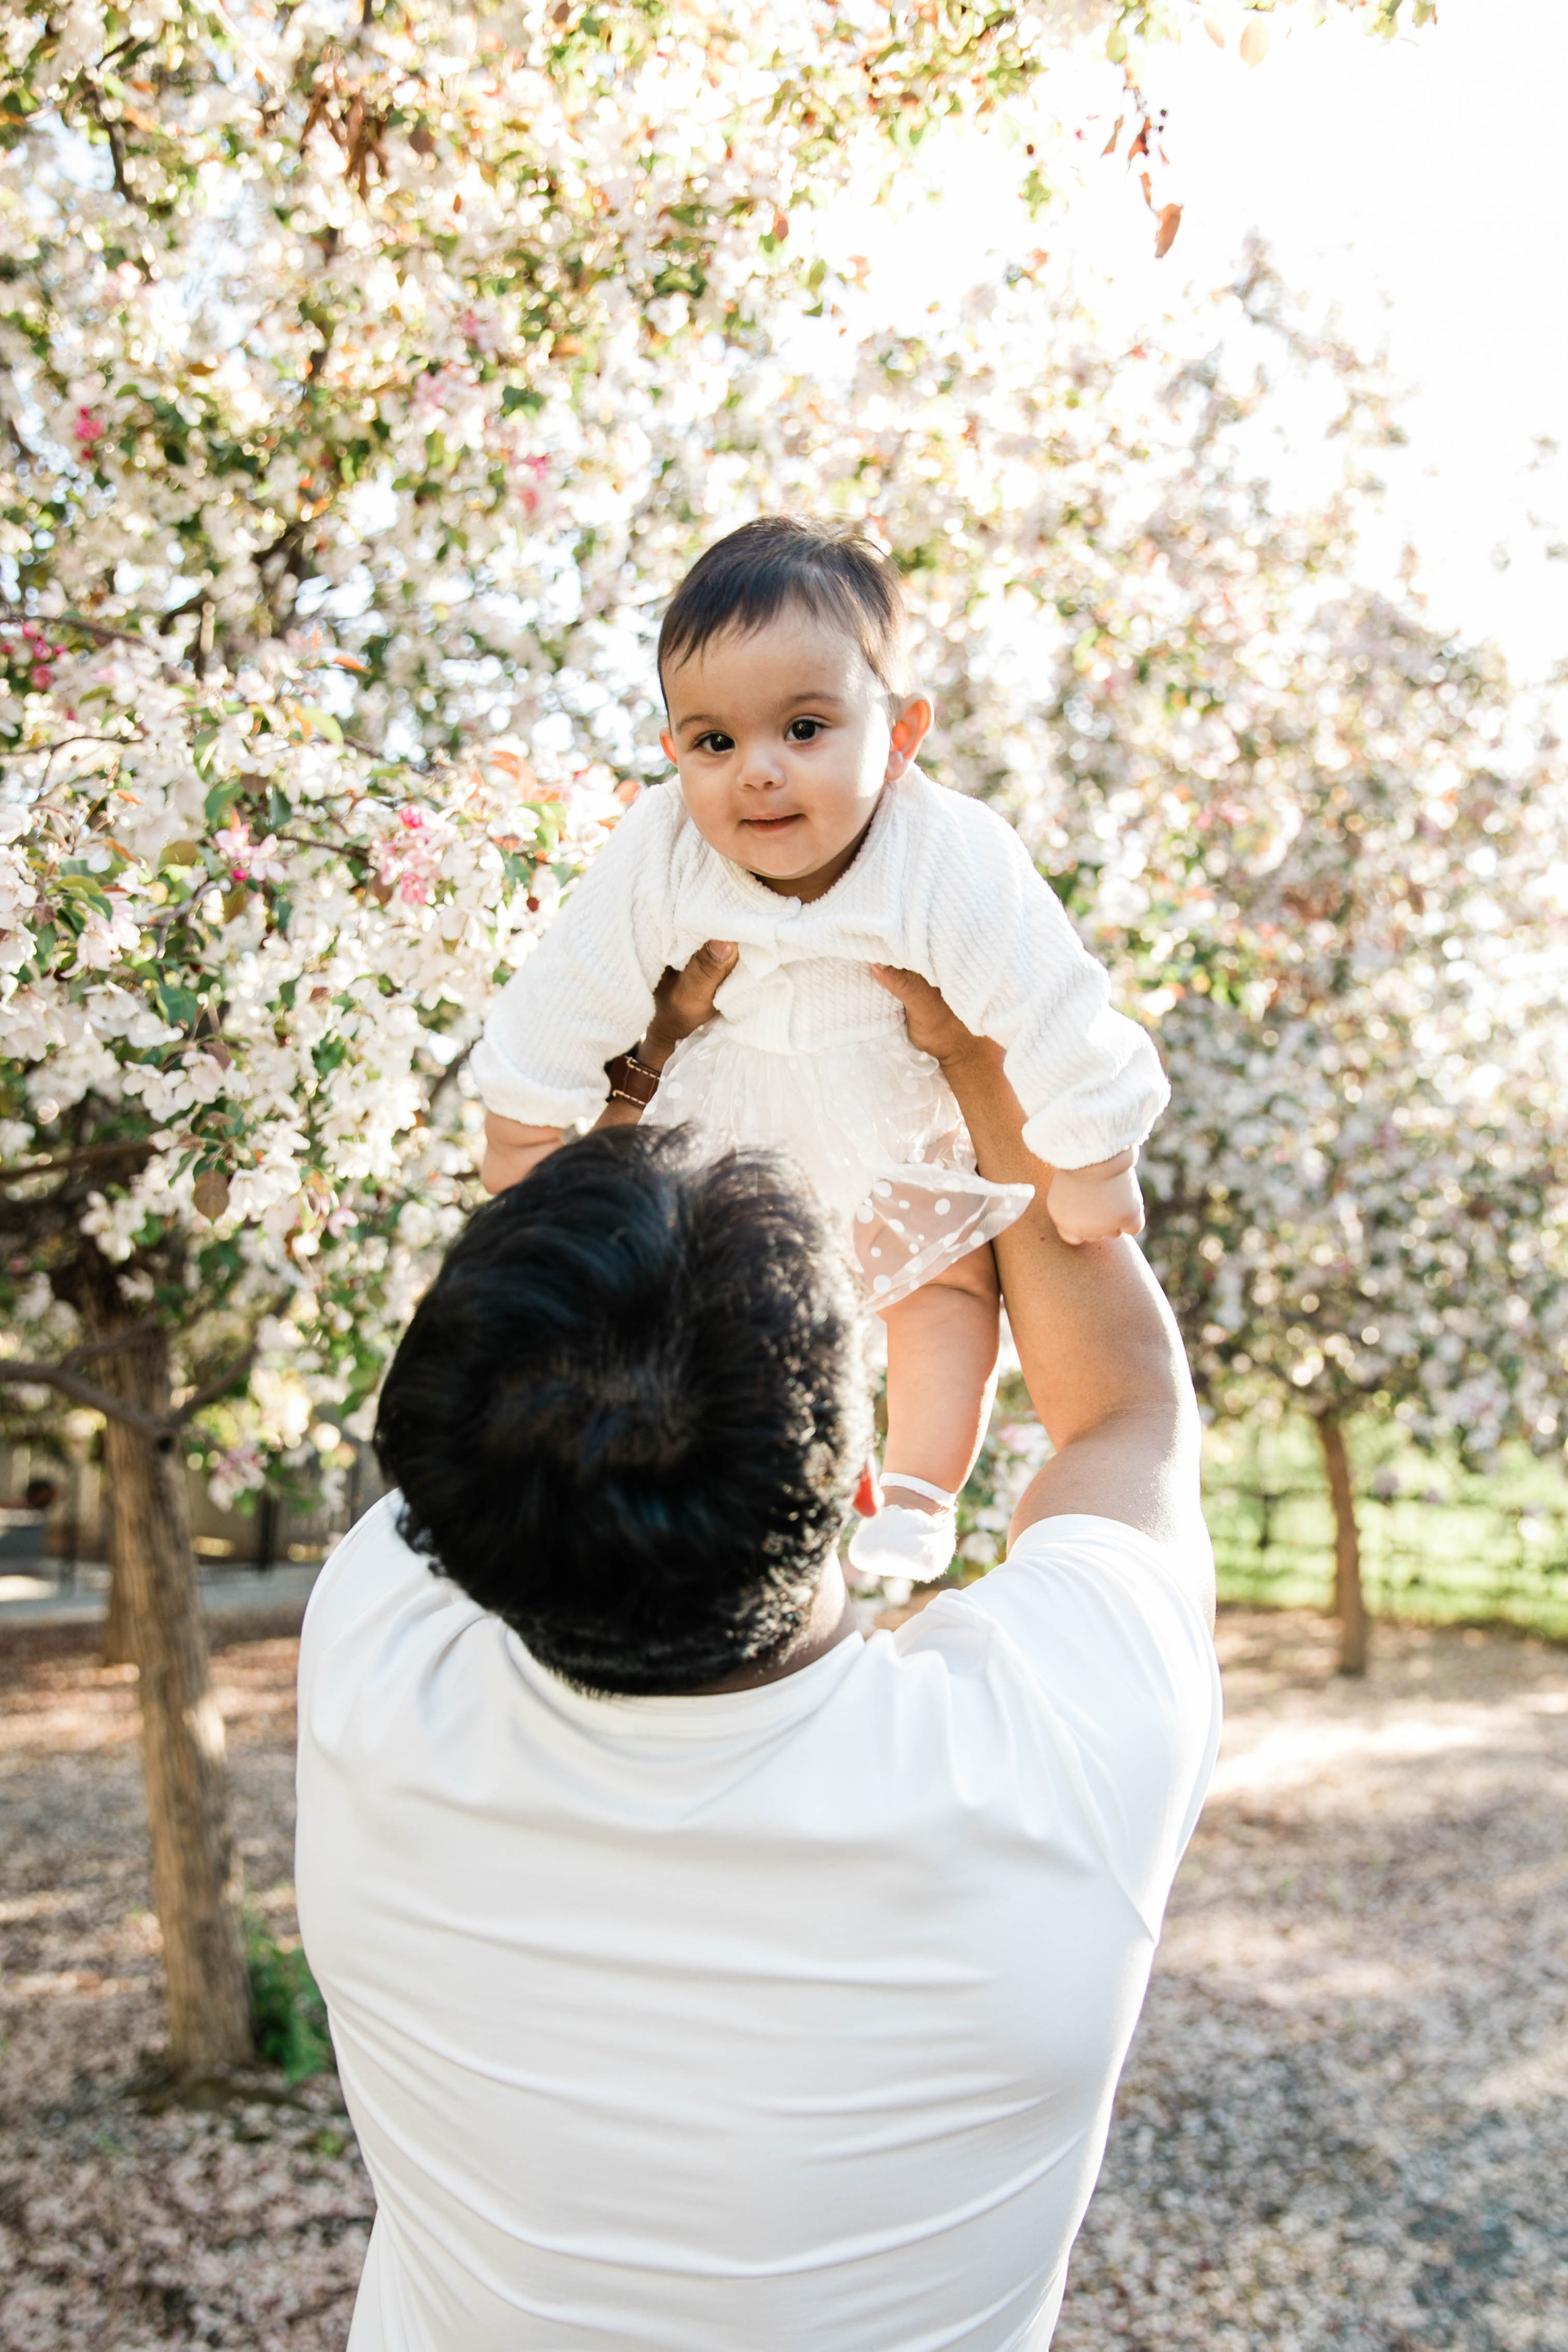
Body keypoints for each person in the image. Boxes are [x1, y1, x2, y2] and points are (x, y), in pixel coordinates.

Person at [295, 954, 1221, 2352]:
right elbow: (1126, 1420)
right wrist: (979, 1052)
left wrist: (636, 1057)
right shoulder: (1058, 1758)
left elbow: (490, 1375)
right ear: (863, 1481)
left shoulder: (375, 1672)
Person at [470, 518, 1168, 1585]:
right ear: (672, 755)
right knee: (717, 1315)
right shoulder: (657, 851)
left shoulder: (943, 853)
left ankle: (924, 1490)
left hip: (886, 1101)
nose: (758, 773)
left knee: (941, 1293)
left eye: (804, 729)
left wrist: (1093, 1155)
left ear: (899, 735)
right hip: (728, 1121)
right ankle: (777, 1494)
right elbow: (572, 987)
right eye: (714, 743)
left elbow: (1049, 999)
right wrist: (523, 1132)